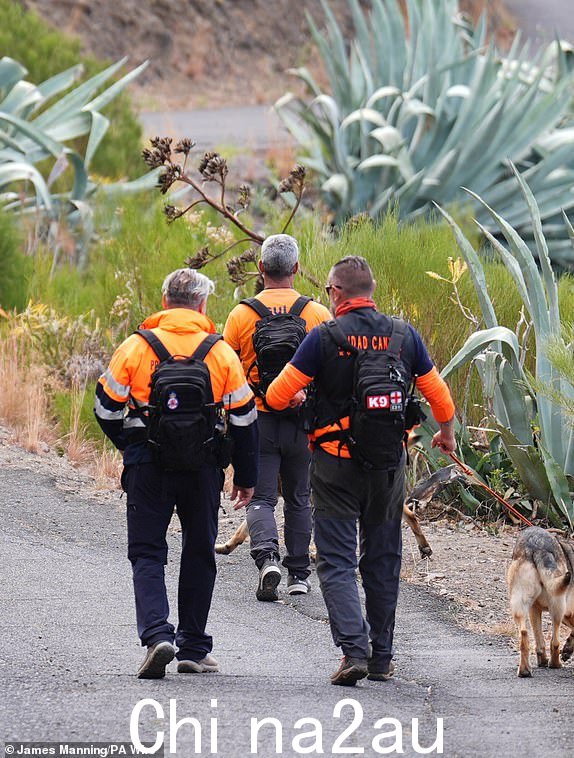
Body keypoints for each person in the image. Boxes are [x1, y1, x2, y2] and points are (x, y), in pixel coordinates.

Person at [266, 255, 456, 686]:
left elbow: (278, 395)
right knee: (384, 559)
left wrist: (301, 400)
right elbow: (441, 400)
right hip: (389, 467)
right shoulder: (404, 336)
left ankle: (354, 650)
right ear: (371, 291)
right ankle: (382, 658)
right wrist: (446, 434)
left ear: (335, 292)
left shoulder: (324, 338)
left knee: (335, 560)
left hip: (334, 465)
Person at [95, 268, 258, 679]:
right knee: (199, 551)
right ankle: (193, 647)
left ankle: (156, 636)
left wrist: (132, 447)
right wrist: (245, 474)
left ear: (164, 301)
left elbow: (105, 408)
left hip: (148, 466)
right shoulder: (220, 353)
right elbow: (244, 418)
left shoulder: (135, 347)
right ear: (202, 305)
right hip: (203, 468)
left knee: (148, 552)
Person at [223, 234, 331, 601]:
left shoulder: (242, 315)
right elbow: (332, 369)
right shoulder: (316, 314)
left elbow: (227, 371)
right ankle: (299, 573)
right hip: (303, 421)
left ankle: (268, 558)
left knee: (261, 497)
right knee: (300, 497)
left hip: (259, 421)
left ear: (261, 269)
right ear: (296, 269)